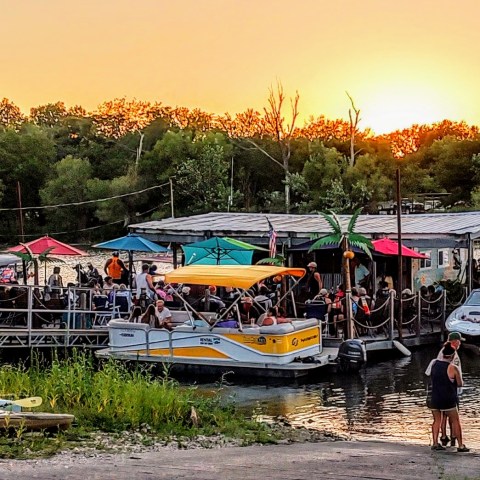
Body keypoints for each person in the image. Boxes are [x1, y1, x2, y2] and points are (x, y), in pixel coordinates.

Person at [427, 342, 469, 452]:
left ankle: (435, 443)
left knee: (436, 420)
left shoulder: (434, 364)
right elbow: (460, 384)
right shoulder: (452, 368)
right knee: (455, 421)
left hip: (435, 397)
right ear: (452, 355)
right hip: (448, 398)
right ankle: (460, 445)